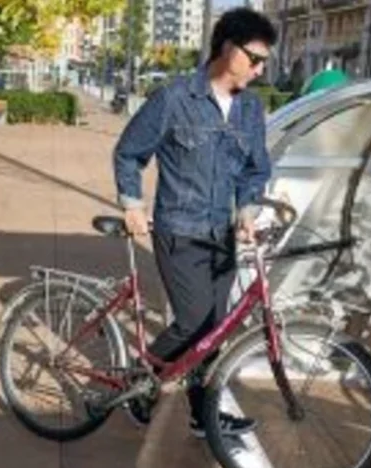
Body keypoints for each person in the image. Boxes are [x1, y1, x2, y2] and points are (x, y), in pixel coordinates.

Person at [112, 7, 277, 437]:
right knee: (193, 322)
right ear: (227, 49)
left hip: (221, 236)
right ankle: (139, 381)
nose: (259, 70)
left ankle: (202, 414)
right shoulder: (174, 98)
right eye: (254, 59)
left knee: (215, 330)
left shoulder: (250, 110)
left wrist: (246, 209)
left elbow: (255, 169)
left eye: (264, 63)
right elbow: (129, 152)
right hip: (178, 230)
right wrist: (132, 203)